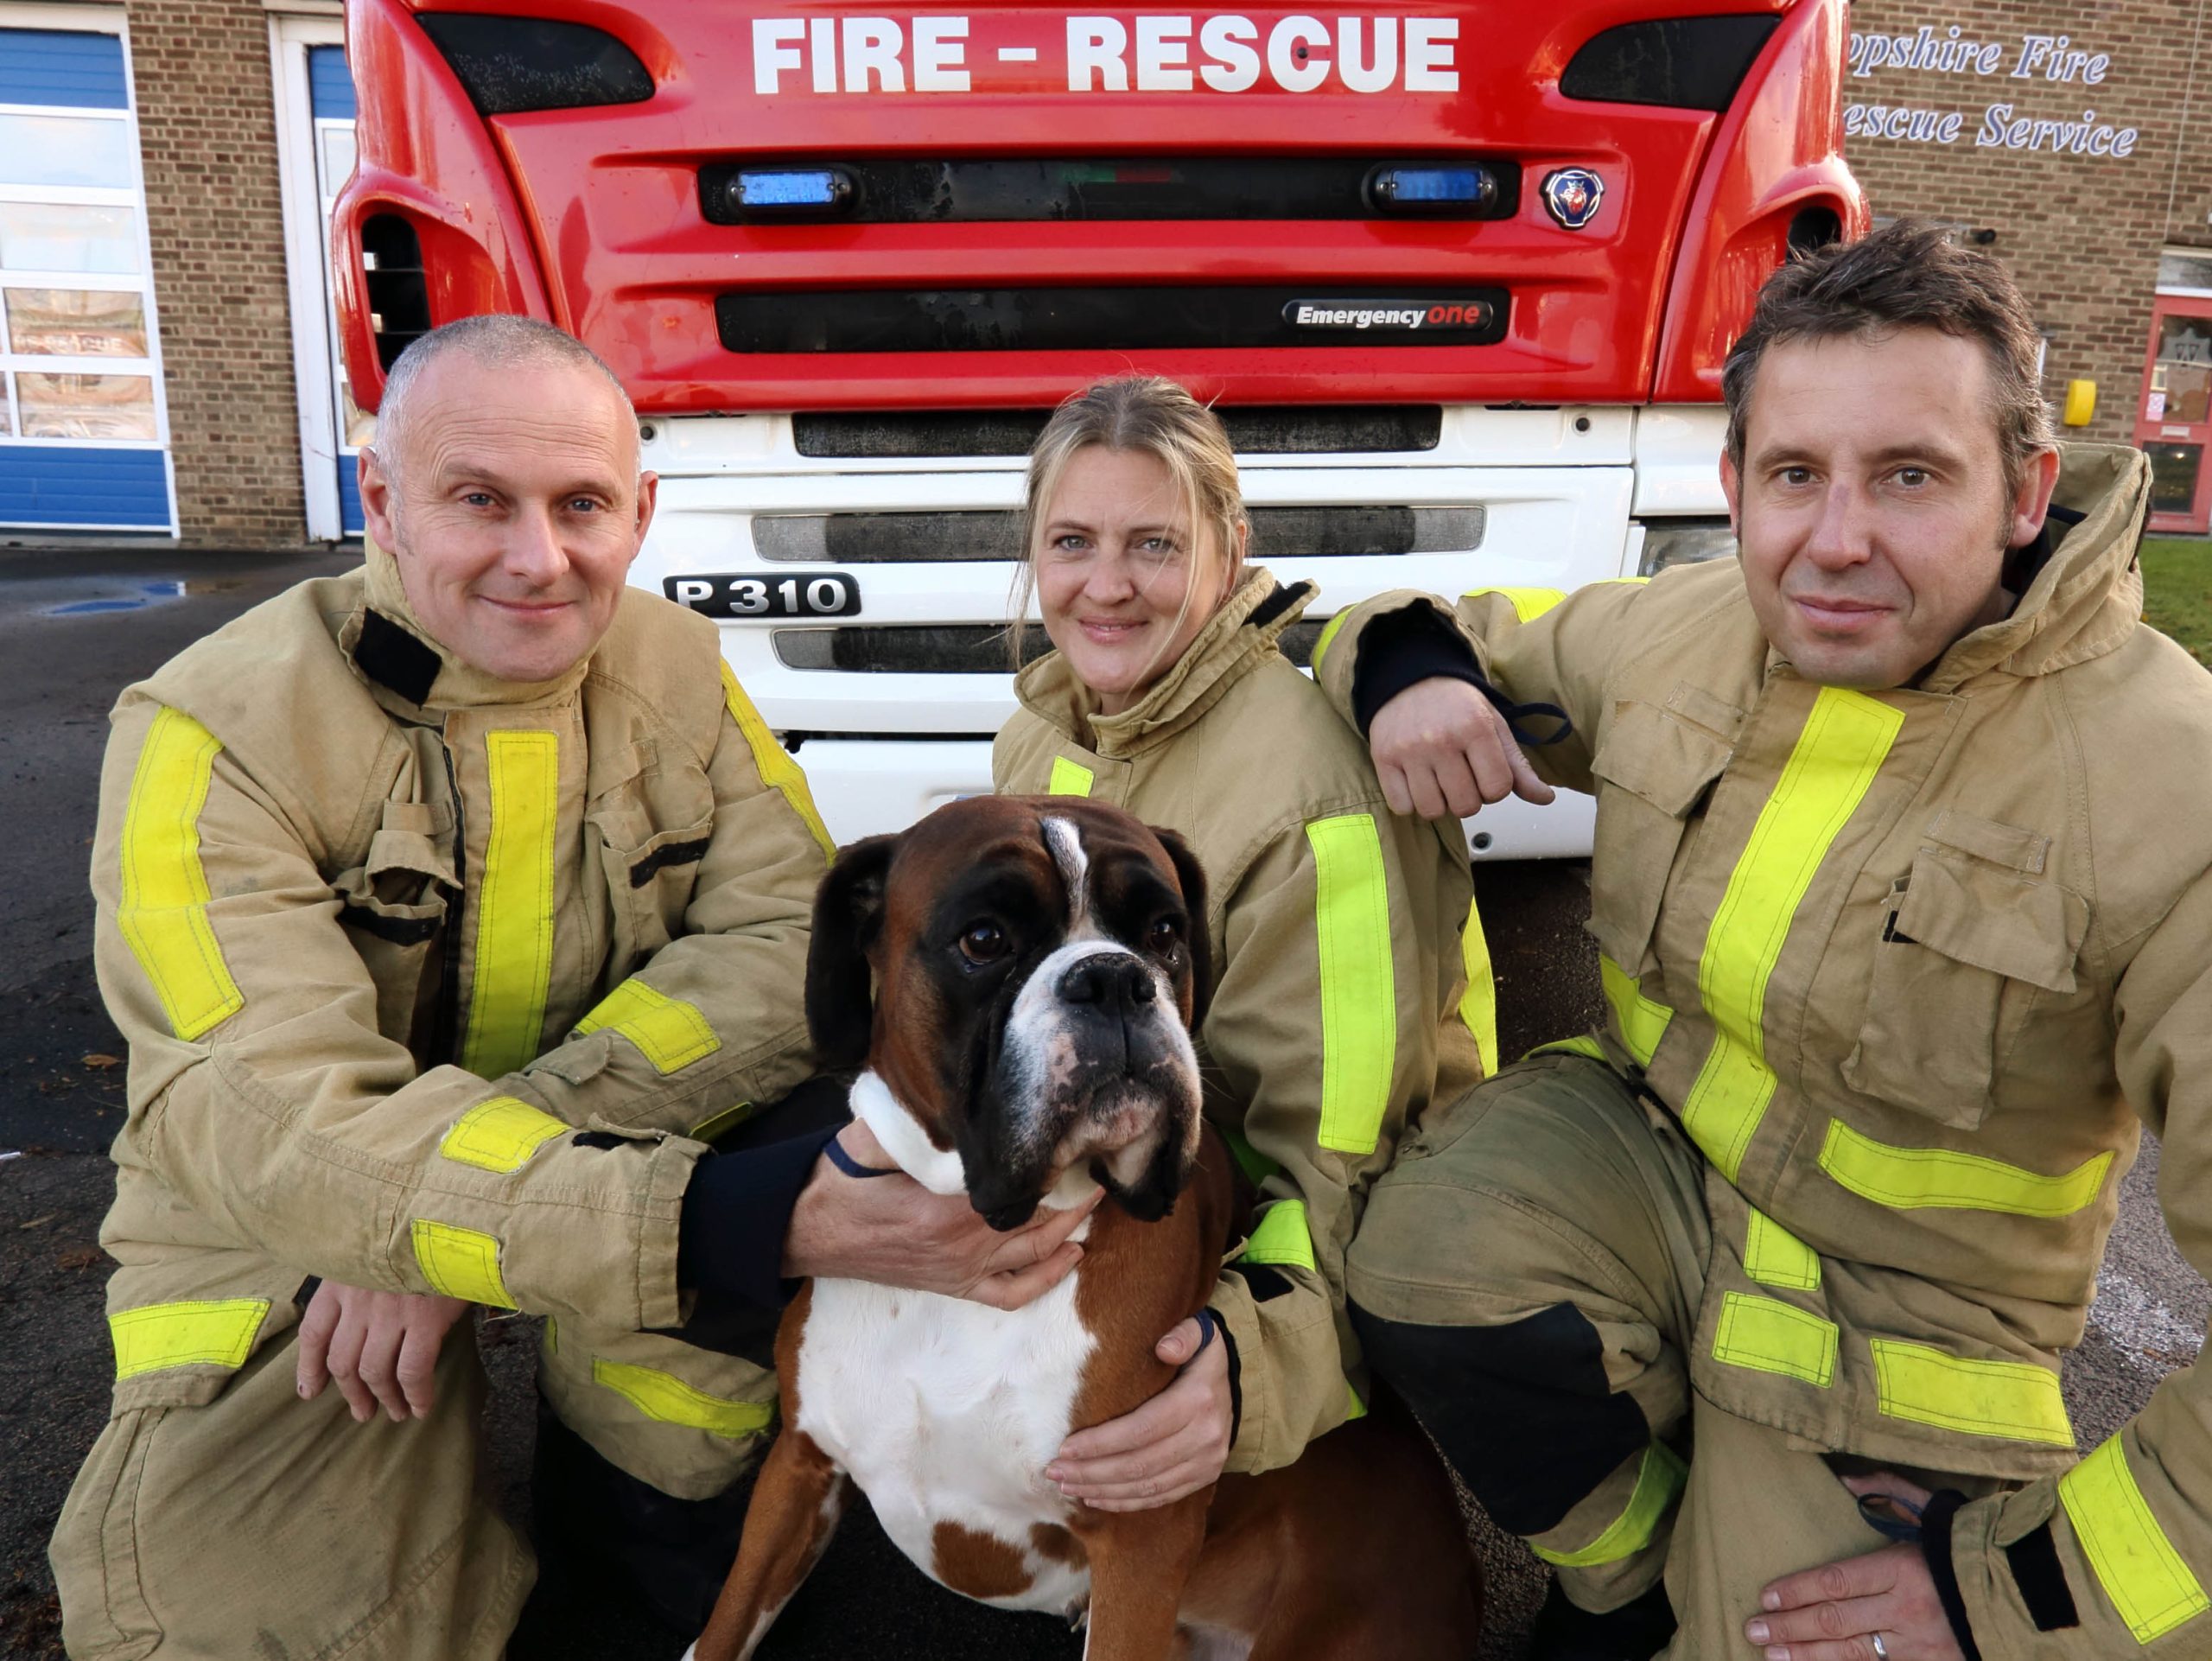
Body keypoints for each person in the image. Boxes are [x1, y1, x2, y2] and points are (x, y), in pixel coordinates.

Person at [49, 315, 1096, 1660]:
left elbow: (794, 939)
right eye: (479, 499)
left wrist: (537, 1163)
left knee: (797, 1189)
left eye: (583, 504)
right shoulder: (210, 734)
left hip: (615, 1152)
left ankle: (643, 1575)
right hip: (293, 1227)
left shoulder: (675, 664)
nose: (541, 558)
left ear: (641, 511)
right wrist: (509, 1219)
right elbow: (273, 1115)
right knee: (254, 1617)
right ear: (380, 495)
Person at [1312, 220, 2212, 1660]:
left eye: (1910, 475)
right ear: (1734, 484)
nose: (1835, 537)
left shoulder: (2174, 787)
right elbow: (1431, 626)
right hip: (1660, 1187)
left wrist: (2020, 1593)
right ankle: (1629, 1587)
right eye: (1795, 474)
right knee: (1420, 1249)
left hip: (1905, 1341)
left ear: (2029, 491)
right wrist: (1412, 673)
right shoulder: (1687, 631)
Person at [993, 376, 1491, 1505]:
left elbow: (1344, 1146)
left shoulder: (1308, 789)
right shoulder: (1040, 735)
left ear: (1230, 548)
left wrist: (1250, 1360)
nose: (1106, 586)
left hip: (1257, 1223)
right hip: (1136, 1154)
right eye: (1071, 541)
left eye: (1154, 545)